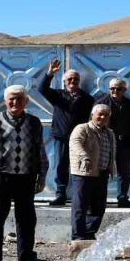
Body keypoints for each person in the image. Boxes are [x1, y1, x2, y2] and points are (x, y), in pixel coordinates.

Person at [0, 85, 49, 261]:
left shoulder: (34, 123)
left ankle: (26, 256)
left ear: (26, 101)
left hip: (26, 176)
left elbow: (40, 152)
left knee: (27, 218)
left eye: (19, 99)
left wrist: (42, 176)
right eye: (11, 99)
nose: (15, 103)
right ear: (5, 101)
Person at [38, 59, 94, 206]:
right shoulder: (58, 95)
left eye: (75, 79)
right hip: (61, 137)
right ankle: (60, 194)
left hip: (80, 138)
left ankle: (80, 195)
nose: (72, 81)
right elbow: (42, 89)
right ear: (64, 81)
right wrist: (50, 73)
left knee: (80, 165)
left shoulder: (87, 98)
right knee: (61, 166)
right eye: (69, 79)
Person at [68, 104, 117, 240]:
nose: (103, 117)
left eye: (106, 115)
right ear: (92, 115)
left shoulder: (109, 133)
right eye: (100, 114)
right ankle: (78, 236)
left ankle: (89, 233)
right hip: (84, 173)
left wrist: (111, 168)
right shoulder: (83, 128)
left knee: (98, 206)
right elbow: (75, 143)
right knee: (80, 205)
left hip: (102, 173)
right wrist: (85, 157)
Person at [94, 77, 130, 208]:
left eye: (118, 88)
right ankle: (99, 199)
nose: (115, 91)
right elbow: (94, 124)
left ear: (124, 90)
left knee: (124, 172)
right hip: (105, 142)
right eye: (112, 88)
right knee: (102, 171)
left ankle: (123, 198)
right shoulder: (101, 103)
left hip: (124, 142)